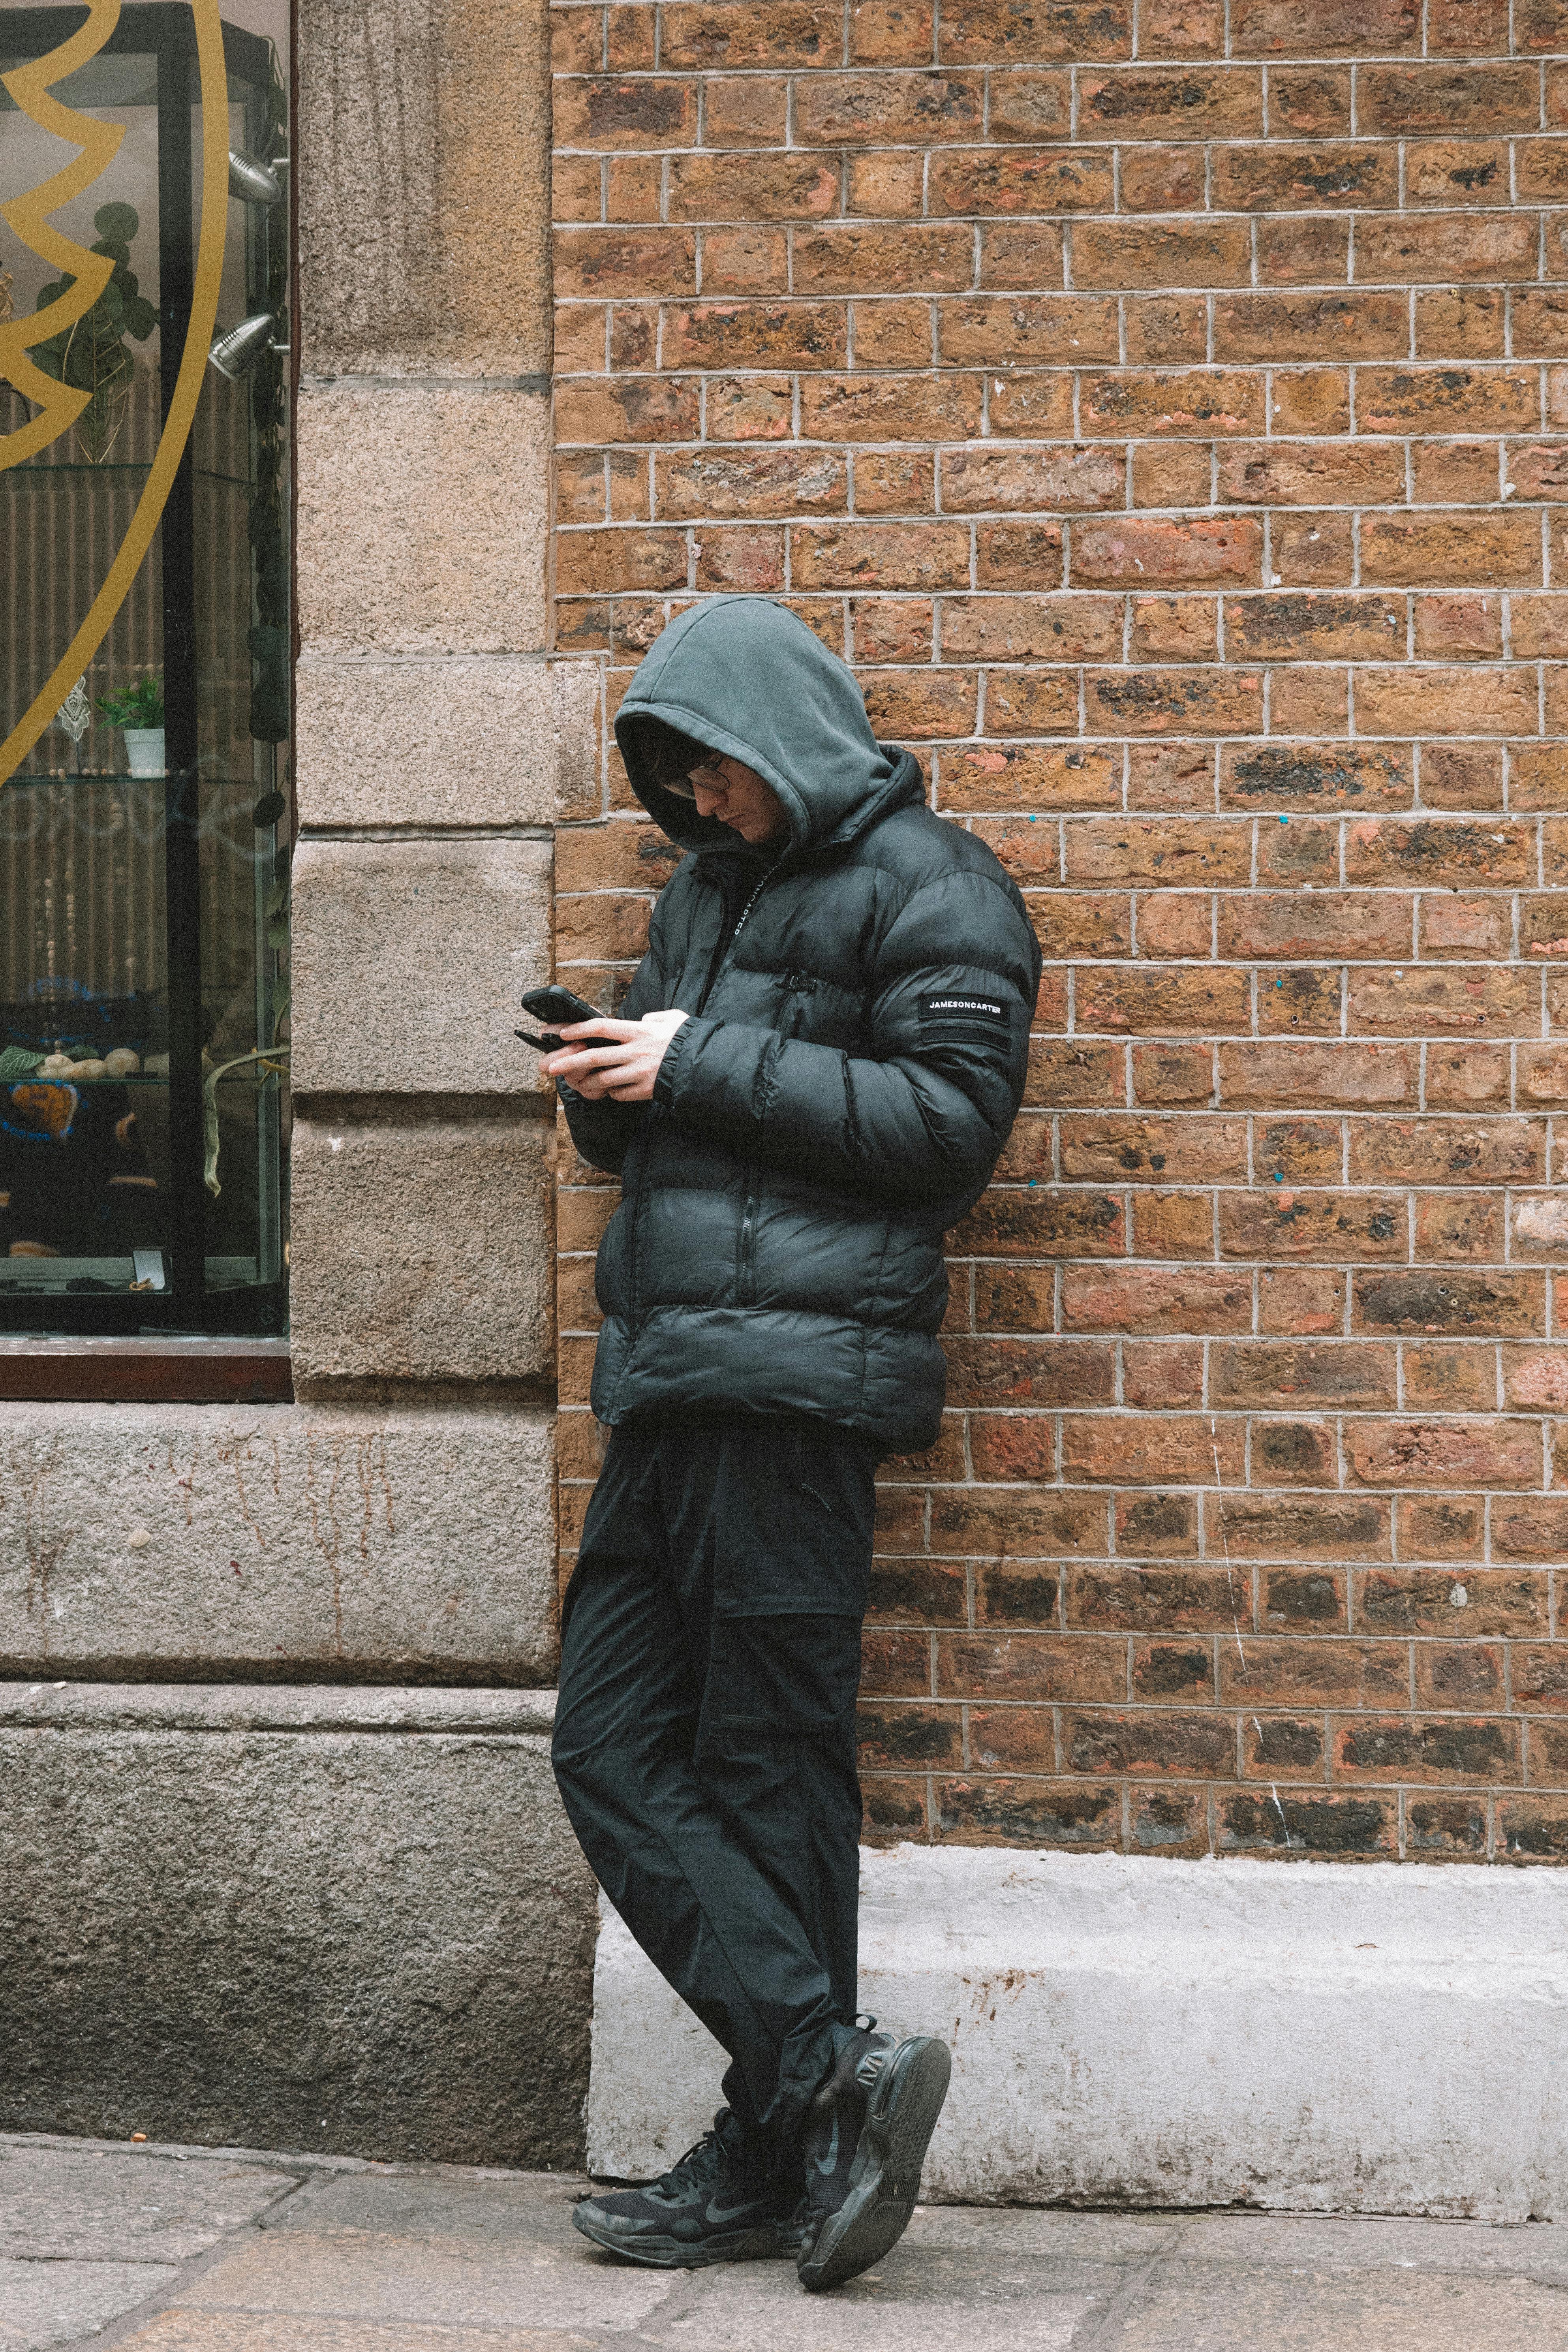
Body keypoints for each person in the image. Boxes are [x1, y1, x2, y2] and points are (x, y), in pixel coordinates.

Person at [546, 596, 1041, 2293]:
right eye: (670, 773)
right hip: (671, 1381)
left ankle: (773, 2142)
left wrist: (698, 1058)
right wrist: (609, 1076)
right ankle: (823, 2078)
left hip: (799, 1399)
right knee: (608, 1745)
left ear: (790, 735)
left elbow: (947, 1133)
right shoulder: (703, 892)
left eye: (716, 764)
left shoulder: (939, 885)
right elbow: (666, 1138)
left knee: (768, 1769)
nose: (694, 797)